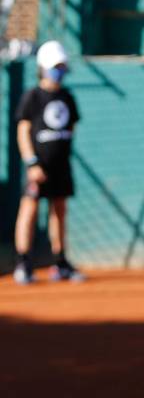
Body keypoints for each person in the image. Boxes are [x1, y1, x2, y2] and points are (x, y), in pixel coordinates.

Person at [12, 41, 85, 285]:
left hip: (60, 167)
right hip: (37, 168)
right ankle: (24, 263)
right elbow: (23, 131)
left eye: (63, 66)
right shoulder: (32, 97)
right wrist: (32, 162)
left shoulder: (67, 97)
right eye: (56, 66)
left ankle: (61, 262)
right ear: (43, 67)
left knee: (60, 211)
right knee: (29, 209)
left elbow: (71, 127)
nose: (60, 70)